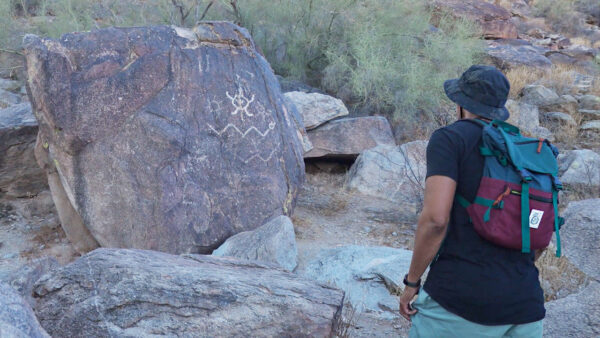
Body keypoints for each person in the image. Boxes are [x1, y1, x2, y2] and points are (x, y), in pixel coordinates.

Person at [398, 65, 546, 337]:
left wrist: (412, 282)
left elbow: (435, 220)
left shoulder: (450, 139)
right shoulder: (525, 149)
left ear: (460, 103)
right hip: (526, 305)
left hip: (460, 302)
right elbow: (540, 233)